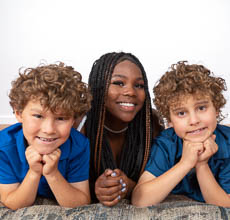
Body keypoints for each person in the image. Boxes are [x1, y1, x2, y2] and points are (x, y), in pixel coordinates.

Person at [132, 61, 230, 207]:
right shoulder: (166, 143)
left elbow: (226, 205)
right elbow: (140, 200)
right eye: (181, 113)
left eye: (201, 108)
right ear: (170, 120)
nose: (194, 120)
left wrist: (201, 165)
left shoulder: (227, 143)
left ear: (216, 108)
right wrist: (186, 163)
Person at [75, 52, 163, 206]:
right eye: (119, 83)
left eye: (139, 85)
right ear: (99, 87)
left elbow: (160, 183)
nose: (130, 91)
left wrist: (127, 186)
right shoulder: (78, 126)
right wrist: (96, 188)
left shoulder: (152, 126)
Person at [0, 62, 92, 210]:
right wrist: (34, 172)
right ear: (18, 113)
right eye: (38, 116)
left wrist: (52, 173)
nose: (49, 129)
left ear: (74, 120)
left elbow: (81, 202)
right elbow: (11, 202)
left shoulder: (79, 145)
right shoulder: (4, 146)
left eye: (61, 118)